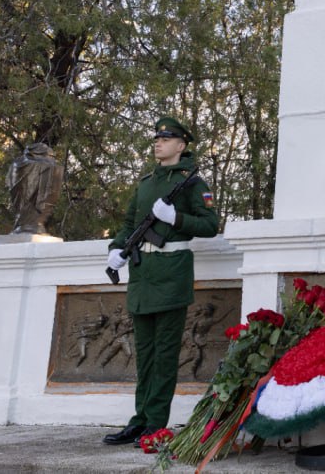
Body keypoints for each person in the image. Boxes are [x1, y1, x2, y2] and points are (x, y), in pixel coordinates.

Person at [101, 116, 220, 446]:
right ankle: (139, 420)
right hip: (142, 277)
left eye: (165, 139)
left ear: (181, 146)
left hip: (171, 275)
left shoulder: (192, 183)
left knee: (165, 357)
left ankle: (155, 423)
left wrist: (175, 218)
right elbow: (129, 224)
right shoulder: (146, 183)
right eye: (156, 138)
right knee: (145, 356)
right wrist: (116, 249)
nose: (158, 143)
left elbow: (210, 225)